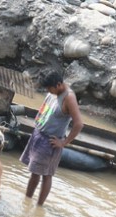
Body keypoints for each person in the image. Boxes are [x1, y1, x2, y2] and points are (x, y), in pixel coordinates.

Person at [20, 70, 84, 206]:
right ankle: (27, 201)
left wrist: (64, 142)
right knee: (34, 172)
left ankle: (39, 206)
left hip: (50, 142)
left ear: (59, 85)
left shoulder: (69, 97)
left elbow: (79, 123)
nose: (49, 91)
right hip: (39, 134)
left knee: (46, 175)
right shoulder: (54, 92)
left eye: (50, 89)